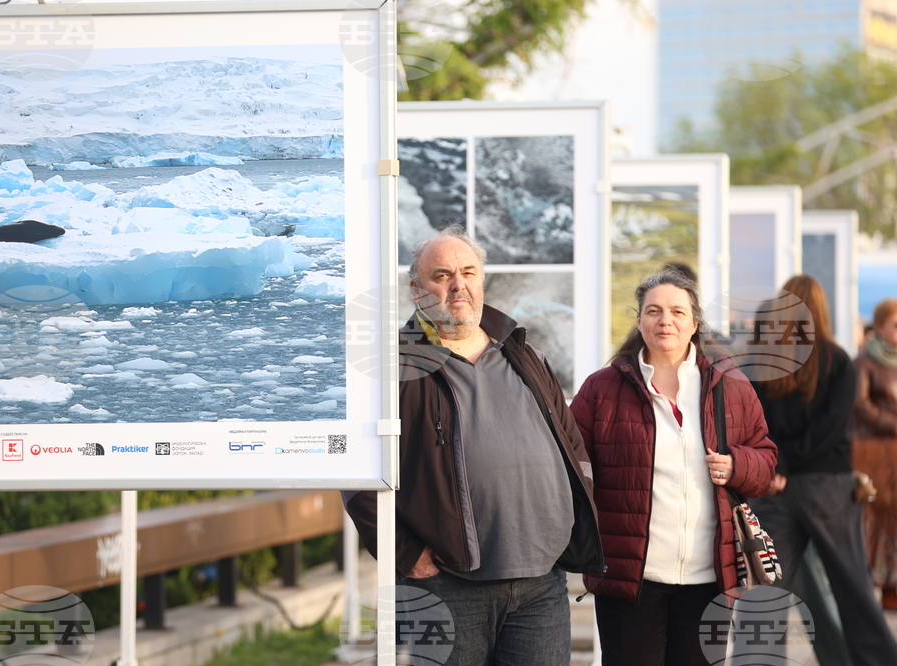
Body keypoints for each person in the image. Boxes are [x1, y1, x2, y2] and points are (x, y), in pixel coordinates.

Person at [343, 226, 604, 665]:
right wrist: (406, 552)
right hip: (445, 585)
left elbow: (571, 445)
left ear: (482, 280)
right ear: (415, 289)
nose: (457, 285)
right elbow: (355, 471)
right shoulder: (391, 367)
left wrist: (573, 518)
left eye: (468, 272)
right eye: (441, 275)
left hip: (541, 581)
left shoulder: (524, 354)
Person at [569, 268, 777, 666]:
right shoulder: (601, 389)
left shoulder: (730, 385)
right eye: (654, 311)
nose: (666, 320)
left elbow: (765, 460)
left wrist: (737, 465)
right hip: (631, 579)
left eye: (677, 312)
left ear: (694, 323)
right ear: (639, 320)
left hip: (709, 579)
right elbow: (571, 466)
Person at [749, 277, 897, 664]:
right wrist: (792, 463)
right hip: (828, 486)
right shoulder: (838, 360)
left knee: (766, 593)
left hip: (775, 489)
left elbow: (754, 424)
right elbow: (831, 428)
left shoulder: (763, 363)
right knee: (854, 588)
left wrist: (776, 466)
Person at [852, 297, 897, 609]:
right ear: (880, 327)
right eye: (895, 324)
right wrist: (893, 423)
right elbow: (859, 405)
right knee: (875, 517)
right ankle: (871, 585)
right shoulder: (865, 361)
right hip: (874, 453)